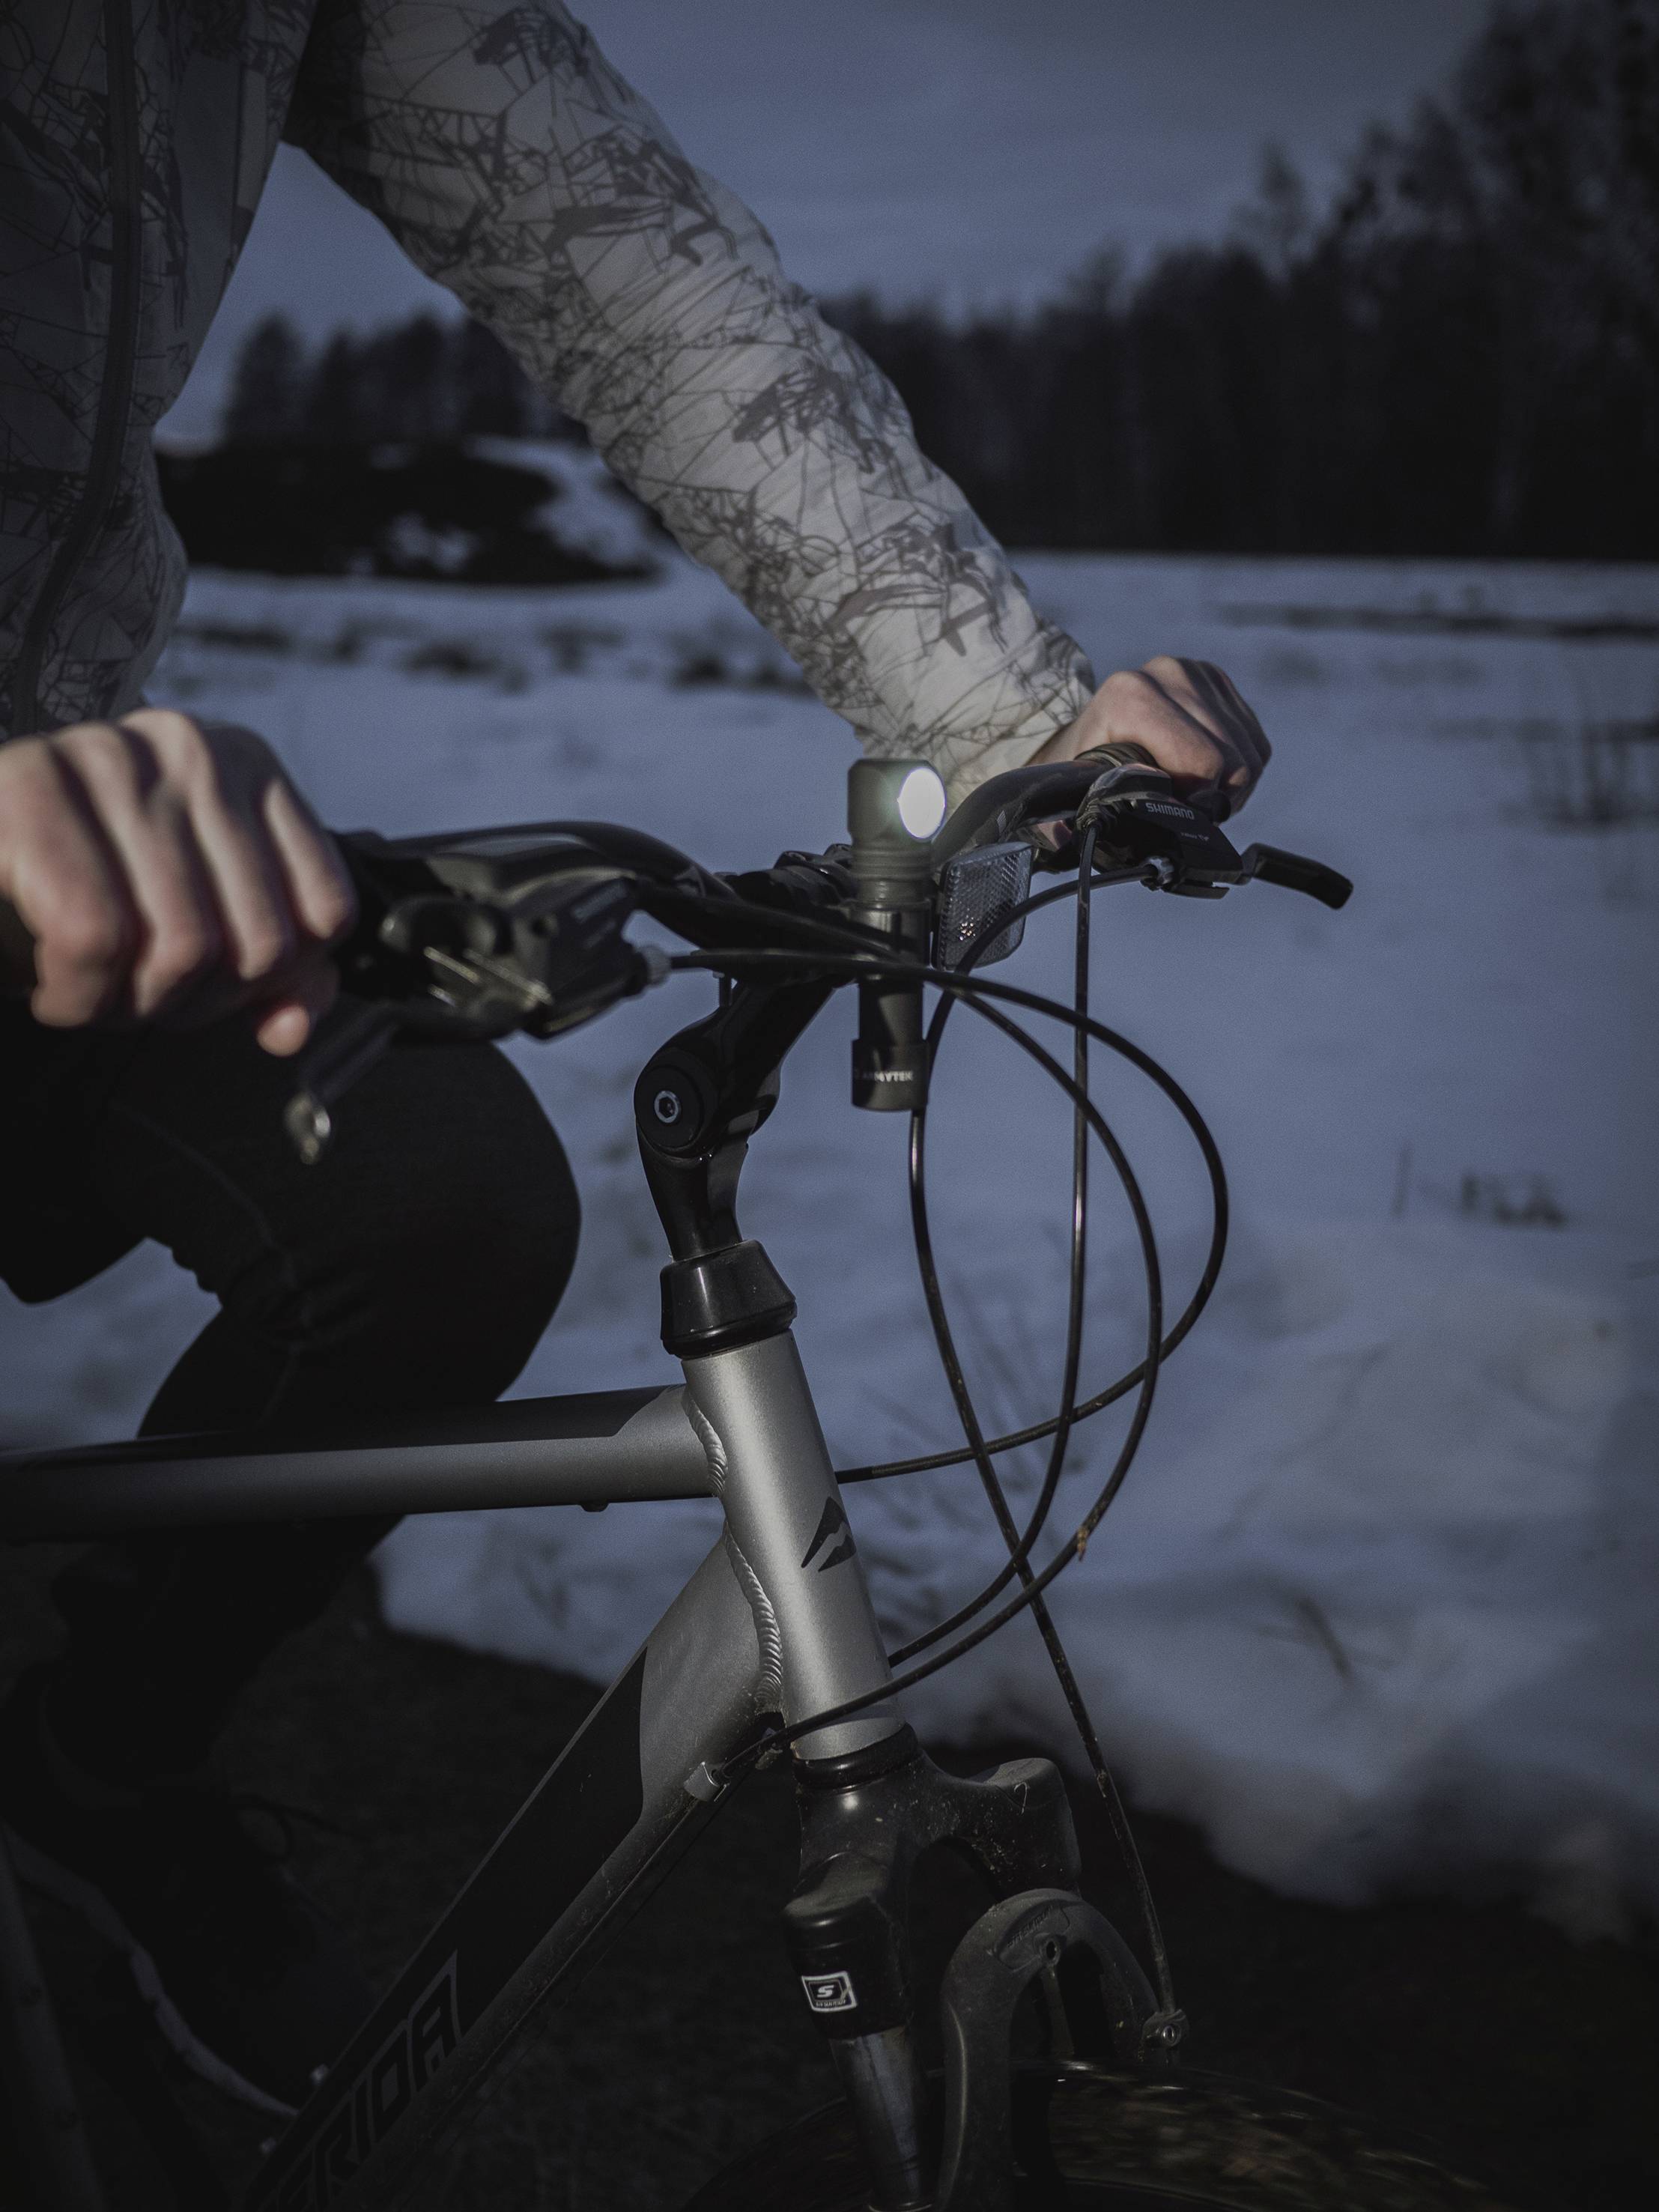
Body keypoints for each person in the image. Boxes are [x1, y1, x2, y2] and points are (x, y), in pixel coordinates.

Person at [0, 0, 1271, 2112]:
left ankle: (95, 1765)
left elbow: (636, 276)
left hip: (86, 823)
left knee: (442, 1202)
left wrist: (1006, 712)